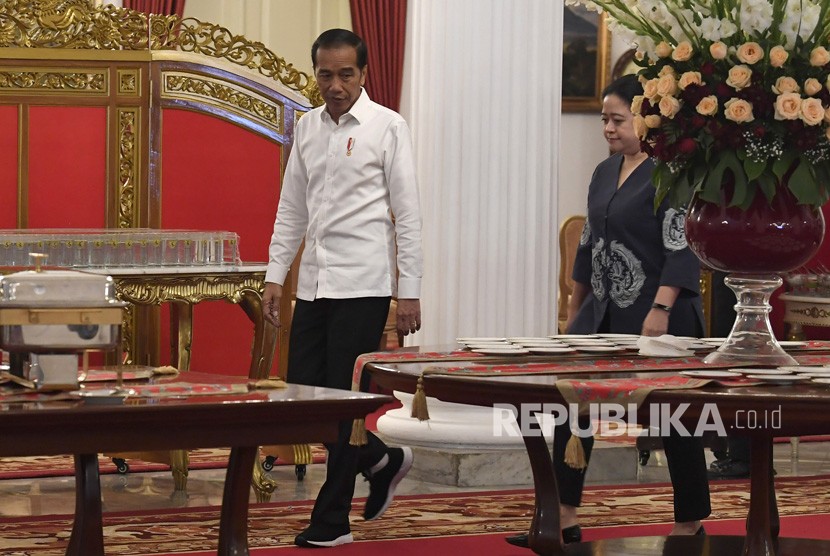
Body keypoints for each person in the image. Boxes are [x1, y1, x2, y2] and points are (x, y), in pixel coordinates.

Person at [507, 74, 710, 548]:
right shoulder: (603, 172)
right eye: (604, 119)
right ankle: (563, 513)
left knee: (674, 418)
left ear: (645, 118)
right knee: (569, 410)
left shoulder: (671, 172)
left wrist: (661, 308)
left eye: (618, 119)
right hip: (601, 316)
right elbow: (588, 248)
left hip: (660, 316)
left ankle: (689, 521)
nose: (608, 128)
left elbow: (681, 249)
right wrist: (575, 314)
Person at [262, 28, 423, 548]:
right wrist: (274, 276)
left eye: (345, 74)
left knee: (344, 403)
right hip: (313, 285)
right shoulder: (307, 129)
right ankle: (380, 458)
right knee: (308, 398)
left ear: (364, 73)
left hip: (364, 284)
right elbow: (291, 212)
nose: (335, 85)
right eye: (326, 74)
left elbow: (408, 217)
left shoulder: (387, 127)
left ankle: (332, 521)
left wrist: (409, 291)